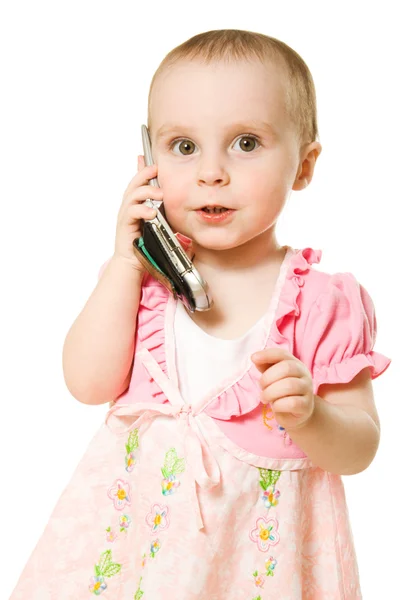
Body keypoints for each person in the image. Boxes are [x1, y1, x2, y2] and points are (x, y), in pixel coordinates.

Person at [10, 29, 391, 600]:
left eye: (245, 142)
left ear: (305, 165)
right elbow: (86, 384)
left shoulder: (320, 301)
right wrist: (125, 260)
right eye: (184, 147)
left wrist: (313, 416)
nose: (212, 172)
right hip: (133, 558)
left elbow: (360, 448)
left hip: (260, 567)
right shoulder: (141, 282)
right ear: (148, 161)